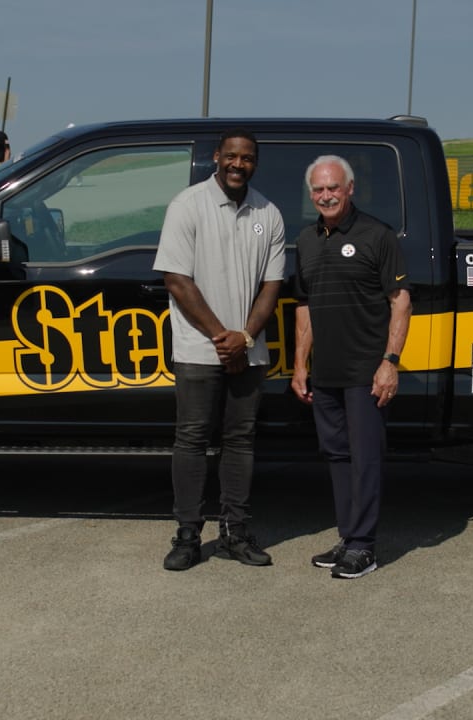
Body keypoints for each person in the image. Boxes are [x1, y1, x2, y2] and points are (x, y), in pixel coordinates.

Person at [151, 128, 285, 571]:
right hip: (197, 348)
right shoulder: (187, 205)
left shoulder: (270, 213)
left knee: (240, 441)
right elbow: (176, 280)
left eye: (246, 158)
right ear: (217, 157)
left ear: (255, 163)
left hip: (249, 351)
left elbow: (272, 286)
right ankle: (188, 535)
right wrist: (221, 337)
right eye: (231, 156)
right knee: (191, 440)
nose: (237, 164)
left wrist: (243, 338)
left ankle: (235, 532)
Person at [290, 155, 411, 580]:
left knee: (365, 459)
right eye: (319, 190)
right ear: (311, 194)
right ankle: (348, 537)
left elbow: (400, 303)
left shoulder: (376, 235)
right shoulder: (306, 240)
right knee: (337, 456)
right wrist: (300, 365)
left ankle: (364, 546)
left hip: (366, 372)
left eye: (334, 188)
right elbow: (303, 306)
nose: (326, 195)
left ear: (350, 188)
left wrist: (389, 363)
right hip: (325, 374)